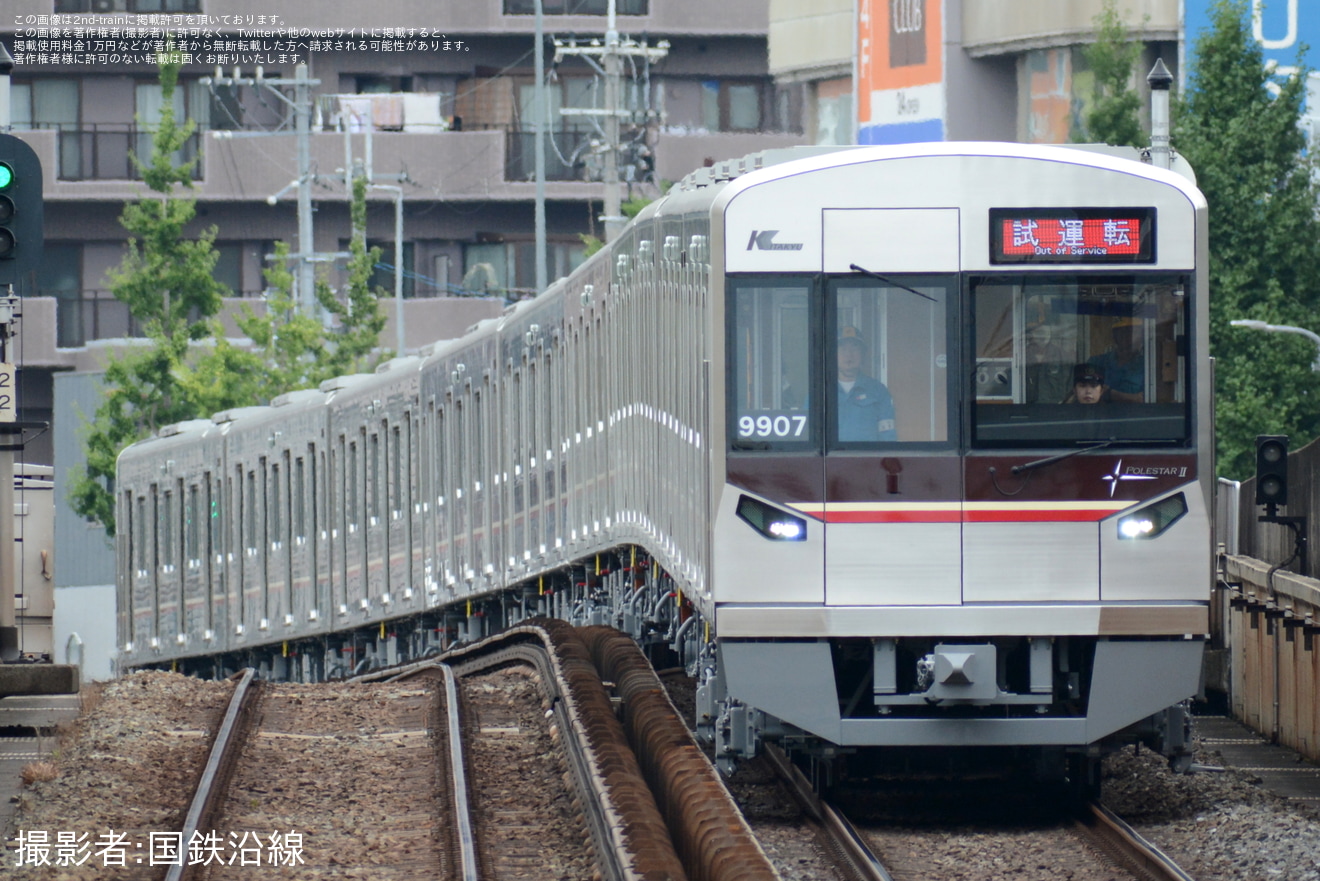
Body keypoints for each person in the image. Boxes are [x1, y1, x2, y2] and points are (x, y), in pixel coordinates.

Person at [837, 327, 897, 441]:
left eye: (854, 349)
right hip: (832, 458)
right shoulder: (820, 392)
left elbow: (888, 436)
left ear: (862, 355)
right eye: (843, 349)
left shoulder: (878, 390)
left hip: (867, 458)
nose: (849, 355)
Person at [1088, 319, 1144, 403]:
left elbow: (1145, 399)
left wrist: (1109, 393)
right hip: (1099, 414)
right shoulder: (1096, 362)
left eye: (1133, 332)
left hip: (1135, 415)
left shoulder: (1148, 364)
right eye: (1123, 332)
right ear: (1115, 336)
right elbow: (1086, 393)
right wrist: (1130, 397)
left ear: (1141, 337)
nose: (1129, 337)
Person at [1023, 322, 1070, 404]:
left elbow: (1068, 383)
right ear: (1032, 334)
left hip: (1053, 407)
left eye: (1047, 333)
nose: (1043, 336)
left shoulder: (1061, 355)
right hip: (1027, 406)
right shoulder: (1022, 355)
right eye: (1039, 332)